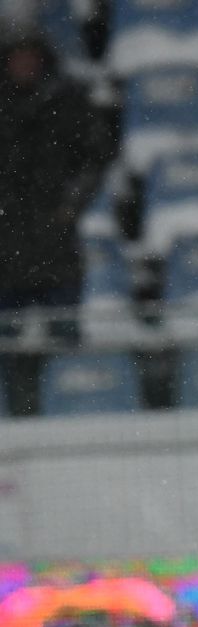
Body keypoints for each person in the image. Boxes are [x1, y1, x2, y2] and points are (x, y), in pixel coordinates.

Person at [0, 29, 106, 415]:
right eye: (16, 56)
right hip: (5, 252)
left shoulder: (68, 100)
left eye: (30, 56)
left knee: (65, 345)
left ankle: (70, 420)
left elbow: (96, 159)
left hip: (57, 247)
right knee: (7, 350)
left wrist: (70, 206)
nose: (23, 65)